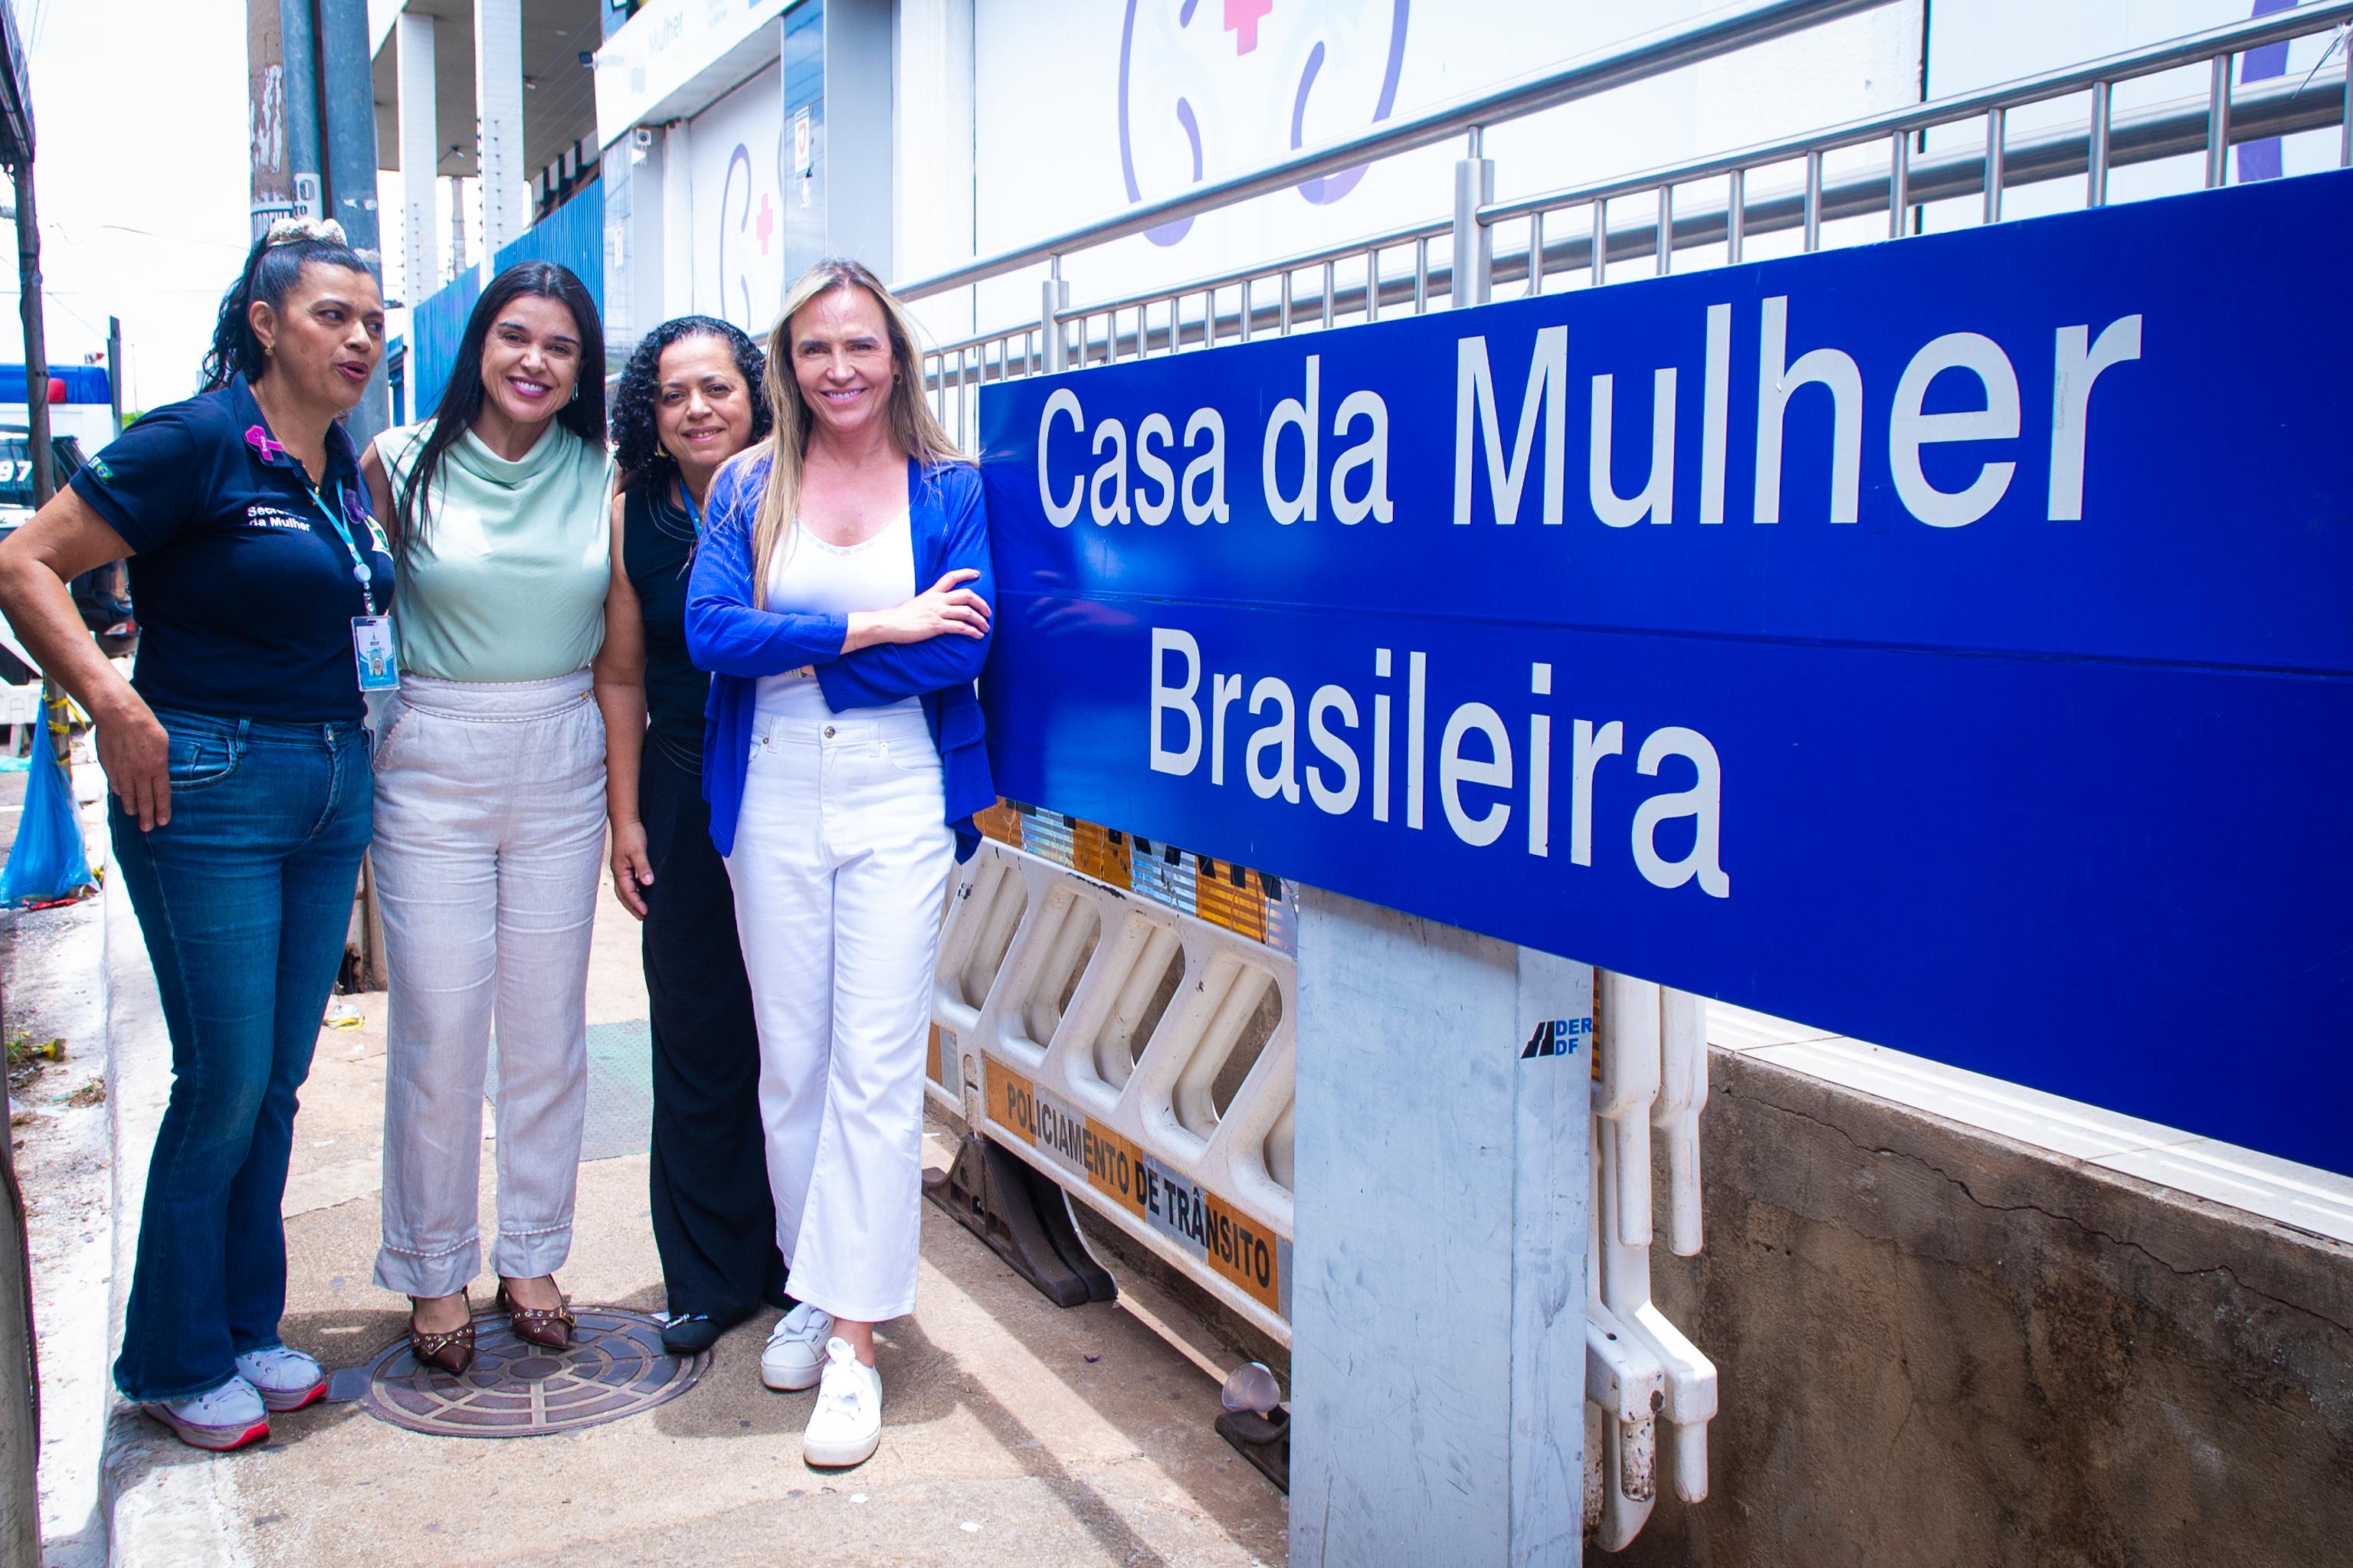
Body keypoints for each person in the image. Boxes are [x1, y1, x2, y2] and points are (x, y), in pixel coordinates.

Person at [0, 219, 388, 1449]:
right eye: (333, 315)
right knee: (221, 1078)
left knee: (275, 1076)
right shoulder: (199, 438)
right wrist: (110, 700)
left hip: (330, 781)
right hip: (207, 782)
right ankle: (169, 1357)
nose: (361, 338)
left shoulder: (335, 465)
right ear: (267, 322)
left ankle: (243, 1324)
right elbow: (25, 563)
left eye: (371, 321)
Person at [687, 258, 995, 1469]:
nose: (841, 369)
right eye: (817, 350)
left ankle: (858, 1340)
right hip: (769, 781)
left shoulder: (950, 483)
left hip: (899, 784)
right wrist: (875, 624)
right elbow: (712, 633)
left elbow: (960, 651)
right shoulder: (750, 483)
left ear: (897, 355)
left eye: (861, 346)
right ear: (788, 361)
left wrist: (800, 651)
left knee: (874, 1063)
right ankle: (815, 1285)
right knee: (795, 1062)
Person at [359, 262, 613, 1373]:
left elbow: (624, 648)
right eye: (516, 336)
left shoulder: (603, 471)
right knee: (439, 1031)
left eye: (560, 347)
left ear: (580, 369)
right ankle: (431, 1268)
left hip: (563, 750)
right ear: (479, 343)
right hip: (432, 755)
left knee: (550, 1027)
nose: (535, 362)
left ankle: (532, 1256)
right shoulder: (396, 461)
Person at [592, 316, 785, 1354]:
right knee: (700, 1032)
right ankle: (710, 1277)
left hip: (797, 785)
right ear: (650, 416)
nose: (698, 407)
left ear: (756, 396)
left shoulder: (804, 490)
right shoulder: (634, 514)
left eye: (717, 387)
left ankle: (805, 1262)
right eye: (674, 394)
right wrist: (624, 815)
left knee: (797, 1035)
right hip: (680, 790)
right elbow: (620, 673)